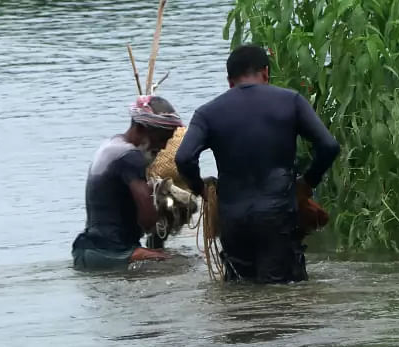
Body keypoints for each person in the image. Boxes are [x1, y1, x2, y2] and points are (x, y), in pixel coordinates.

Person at [175, 45, 340, 283]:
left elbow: (184, 158)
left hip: (233, 219)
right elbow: (328, 146)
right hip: (278, 216)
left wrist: (200, 189)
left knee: (241, 290)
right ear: (266, 73)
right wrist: (306, 183)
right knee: (283, 293)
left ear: (230, 81)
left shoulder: (207, 113)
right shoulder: (291, 101)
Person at [72, 95, 183, 270]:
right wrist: (167, 213)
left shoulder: (111, 145)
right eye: (161, 139)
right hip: (113, 253)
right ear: (141, 128)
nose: (162, 147)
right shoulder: (131, 157)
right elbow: (147, 218)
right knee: (181, 265)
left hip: (87, 249)